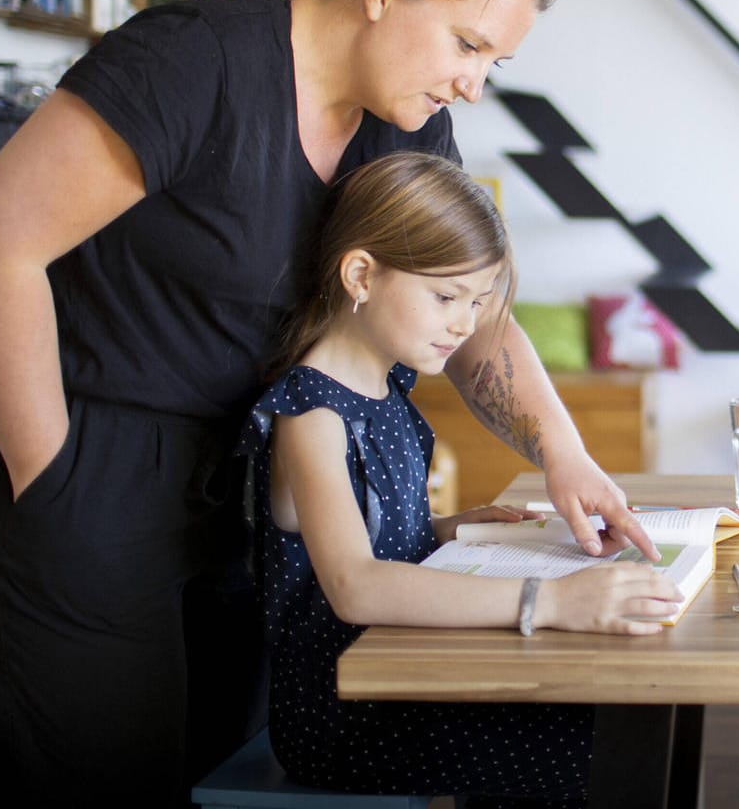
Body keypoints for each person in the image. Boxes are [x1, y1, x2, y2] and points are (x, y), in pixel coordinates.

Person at [0, 0, 658, 805]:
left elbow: (471, 307)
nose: (471, 84)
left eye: (494, 63)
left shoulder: (408, 122)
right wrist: (48, 475)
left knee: (203, 772)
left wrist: (563, 453)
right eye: (467, 44)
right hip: (87, 470)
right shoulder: (193, 62)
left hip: (238, 485)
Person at [247, 152, 683, 799]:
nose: (465, 324)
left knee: (627, 723)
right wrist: (554, 602)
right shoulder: (312, 411)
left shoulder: (387, 382)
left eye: (478, 302)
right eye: (446, 297)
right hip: (350, 716)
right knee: (605, 746)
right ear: (361, 274)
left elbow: (363, 534)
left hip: (412, 676)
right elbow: (354, 585)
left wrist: (449, 528)